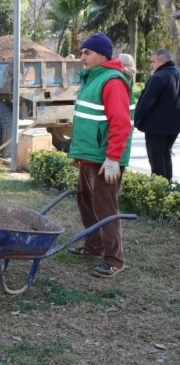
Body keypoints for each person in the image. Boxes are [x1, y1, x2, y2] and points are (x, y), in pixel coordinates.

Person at [67, 33, 134, 278]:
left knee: (106, 207)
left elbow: (121, 124)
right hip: (89, 156)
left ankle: (115, 259)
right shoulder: (92, 79)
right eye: (82, 52)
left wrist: (113, 158)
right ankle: (93, 246)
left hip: (105, 159)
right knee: (86, 202)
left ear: (102, 56)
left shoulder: (112, 82)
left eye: (87, 53)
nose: (82, 57)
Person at [134, 49, 180, 180]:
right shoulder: (177, 73)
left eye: (153, 62)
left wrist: (135, 120)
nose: (151, 65)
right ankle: (168, 188)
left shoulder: (159, 77)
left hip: (156, 127)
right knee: (166, 154)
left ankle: (158, 190)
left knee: (156, 159)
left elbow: (147, 101)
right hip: (174, 126)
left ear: (163, 61)